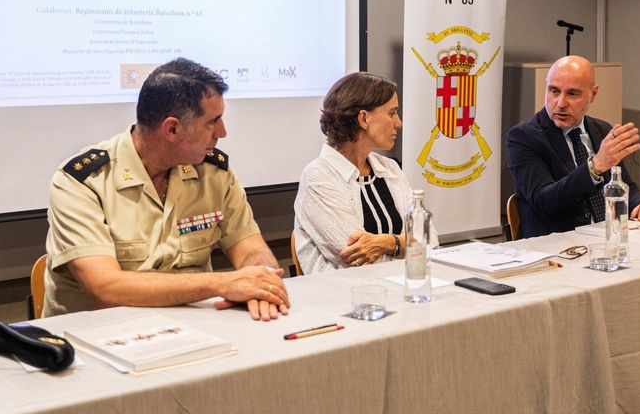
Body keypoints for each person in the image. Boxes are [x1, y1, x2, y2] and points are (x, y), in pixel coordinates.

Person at [43, 58, 289, 321]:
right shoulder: (83, 182)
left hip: (197, 327)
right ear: (172, 128)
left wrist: (262, 284)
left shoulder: (213, 173)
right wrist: (221, 283)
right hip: (98, 336)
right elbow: (106, 288)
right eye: (212, 122)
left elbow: (251, 248)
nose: (222, 132)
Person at [506, 56, 640, 239]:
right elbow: (544, 201)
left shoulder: (602, 129)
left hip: (608, 237)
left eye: (572, 94)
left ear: (593, 93)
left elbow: (625, 186)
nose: (560, 103)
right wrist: (594, 167)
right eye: (554, 91)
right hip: (557, 244)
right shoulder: (523, 136)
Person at [293, 72, 436, 274]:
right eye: (392, 113)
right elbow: (357, 258)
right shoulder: (318, 176)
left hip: (402, 286)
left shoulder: (389, 168)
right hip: (343, 297)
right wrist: (406, 244)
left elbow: (431, 242)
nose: (399, 123)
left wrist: (388, 242)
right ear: (364, 118)